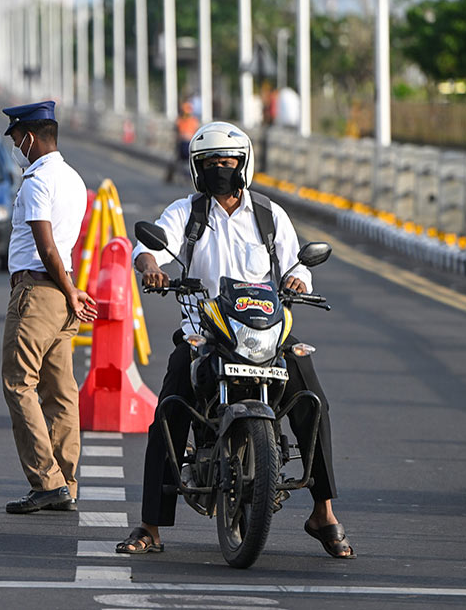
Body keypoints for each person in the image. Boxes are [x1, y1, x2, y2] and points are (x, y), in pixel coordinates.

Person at [116, 121, 355, 559]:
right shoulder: (186, 213)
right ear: (197, 168)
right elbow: (151, 249)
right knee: (170, 407)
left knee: (312, 401)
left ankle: (323, 511)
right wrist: (150, 267)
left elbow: (297, 264)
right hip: (205, 334)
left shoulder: (269, 215)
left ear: (244, 165)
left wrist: (298, 281)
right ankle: (150, 525)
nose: (220, 170)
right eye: (210, 163)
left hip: (265, 334)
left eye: (228, 162)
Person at [0, 100, 96, 514]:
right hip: (60, 293)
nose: (15, 146)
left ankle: (47, 481)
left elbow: (47, 245)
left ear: (29, 137)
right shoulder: (73, 178)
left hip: (38, 292)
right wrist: (70, 291)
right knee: (60, 391)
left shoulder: (37, 181)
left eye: (16, 138)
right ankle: (66, 482)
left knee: (18, 383)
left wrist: (70, 290)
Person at [166, 101, 200, 184]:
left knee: (188, 162)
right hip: (182, 144)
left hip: (188, 144)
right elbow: (176, 132)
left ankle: (189, 176)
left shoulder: (192, 121)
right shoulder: (180, 120)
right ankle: (175, 176)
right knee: (178, 161)